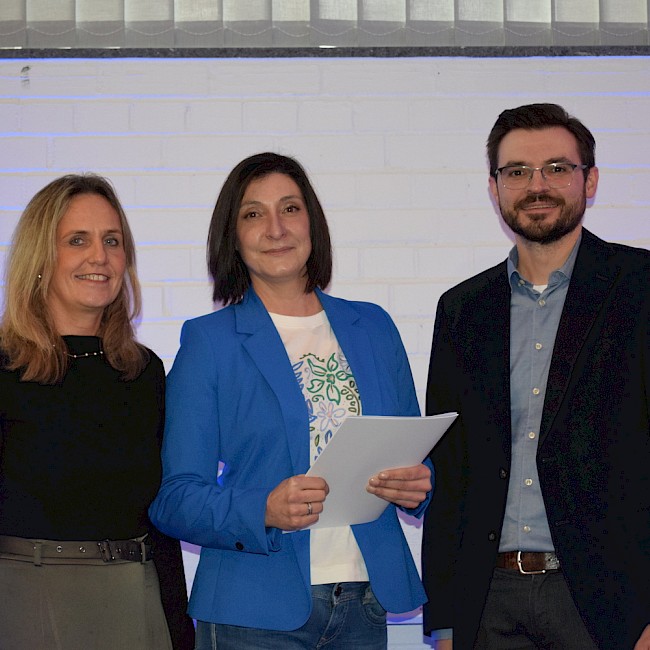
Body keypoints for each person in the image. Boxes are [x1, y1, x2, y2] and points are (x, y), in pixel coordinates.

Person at [149, 151, 432, 649]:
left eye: (290, 209)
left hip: (364, 602)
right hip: (251, 610)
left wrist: (419, 485)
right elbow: (175, 499)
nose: (276, 228)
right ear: (233, 236)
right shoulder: (209, 341)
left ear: (312, 223)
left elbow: (415, 455)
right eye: (253, 214)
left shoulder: (373, 327)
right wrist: (263, 508)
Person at [421, 102, 650, 650]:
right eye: (517, 171)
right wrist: (446, 620)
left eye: (556, 168)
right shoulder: (461, 310)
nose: (536, 185)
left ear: (590, 180)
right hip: (487, 603)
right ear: (495, 187)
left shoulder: (640, 286)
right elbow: (451, 471)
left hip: (611, 604)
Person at [0, 174, 195, 649]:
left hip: (136, 600)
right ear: (40, 258)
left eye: (112, 240)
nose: (99, 256)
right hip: (26, 604)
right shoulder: (5, 368)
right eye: (77, 240)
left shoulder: (144, 371)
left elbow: (158, 519)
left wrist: (178, 629)